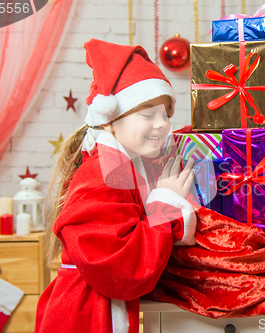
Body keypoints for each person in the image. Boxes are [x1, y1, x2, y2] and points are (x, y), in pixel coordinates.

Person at [35, 39, 197, 333]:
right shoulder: (101, 174)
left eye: (166, 115)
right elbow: (121, 269)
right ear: (110, 122)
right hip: (84, 316)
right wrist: (166, 206)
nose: (161, 124)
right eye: (148, 114)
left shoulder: (120, 162)